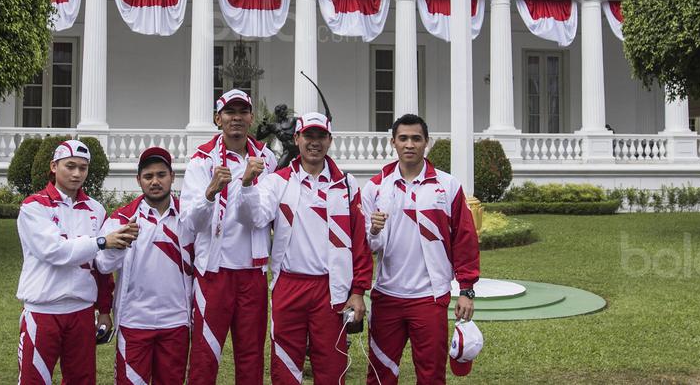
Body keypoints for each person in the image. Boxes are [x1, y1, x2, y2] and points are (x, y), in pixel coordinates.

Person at [238, 112, 372, 385]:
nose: (315, 142)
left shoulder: (346, 184)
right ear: (297, 138)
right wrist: (248, 184)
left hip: (331, 288)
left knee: (331, 365)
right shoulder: (277, 181)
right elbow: (254, 218)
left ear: (330, 140)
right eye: (309, 135)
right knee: (285, 365)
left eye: (321, 136)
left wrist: (358, 291)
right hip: (290, 284)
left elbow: (359, 241)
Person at [360, 114, 480, 385]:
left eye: (416, 138)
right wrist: (374, 230)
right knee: (379, 374)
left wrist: (466, 290)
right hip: (387, 295)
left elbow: (465, 240)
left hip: (430, 297)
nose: (409, 144)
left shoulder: (447, 185)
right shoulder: (375, 187)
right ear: (393, 142)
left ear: (427, 142)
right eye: (403, 138)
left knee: (431, 374)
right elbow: (368, 246)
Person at [15, 139, 139, 385]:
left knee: (82, 380)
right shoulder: (34, 206)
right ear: (54, 166)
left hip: (82, 311)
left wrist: (104, 310)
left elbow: (101, 268)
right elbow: (54, 251)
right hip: (43, 310)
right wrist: (101, 242)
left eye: (83, 168)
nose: (76, 173)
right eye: (70, 166)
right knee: (33, 380)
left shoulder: (95, 209)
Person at [180, 88, 278, 385]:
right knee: (205, 354)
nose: (236, 118)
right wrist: (210, 192)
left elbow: (260, 217)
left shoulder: (266, 159)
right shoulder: (201, 160)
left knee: (251, 355)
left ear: (251, 118)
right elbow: (190, 223)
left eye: (242, 112)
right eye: (229, 112)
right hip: (214, 272)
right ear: (217, 119)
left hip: (252, 271)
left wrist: (247, 184)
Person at [97, 146, 194, 385]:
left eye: (161, 175)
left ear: (172, 176)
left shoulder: (189, 217)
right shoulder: (121, 219)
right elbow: (102, 265)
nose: (155, 182)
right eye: (148, 176)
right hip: (134, 321)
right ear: (138, 179)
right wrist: (118, 244)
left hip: (176, 322)